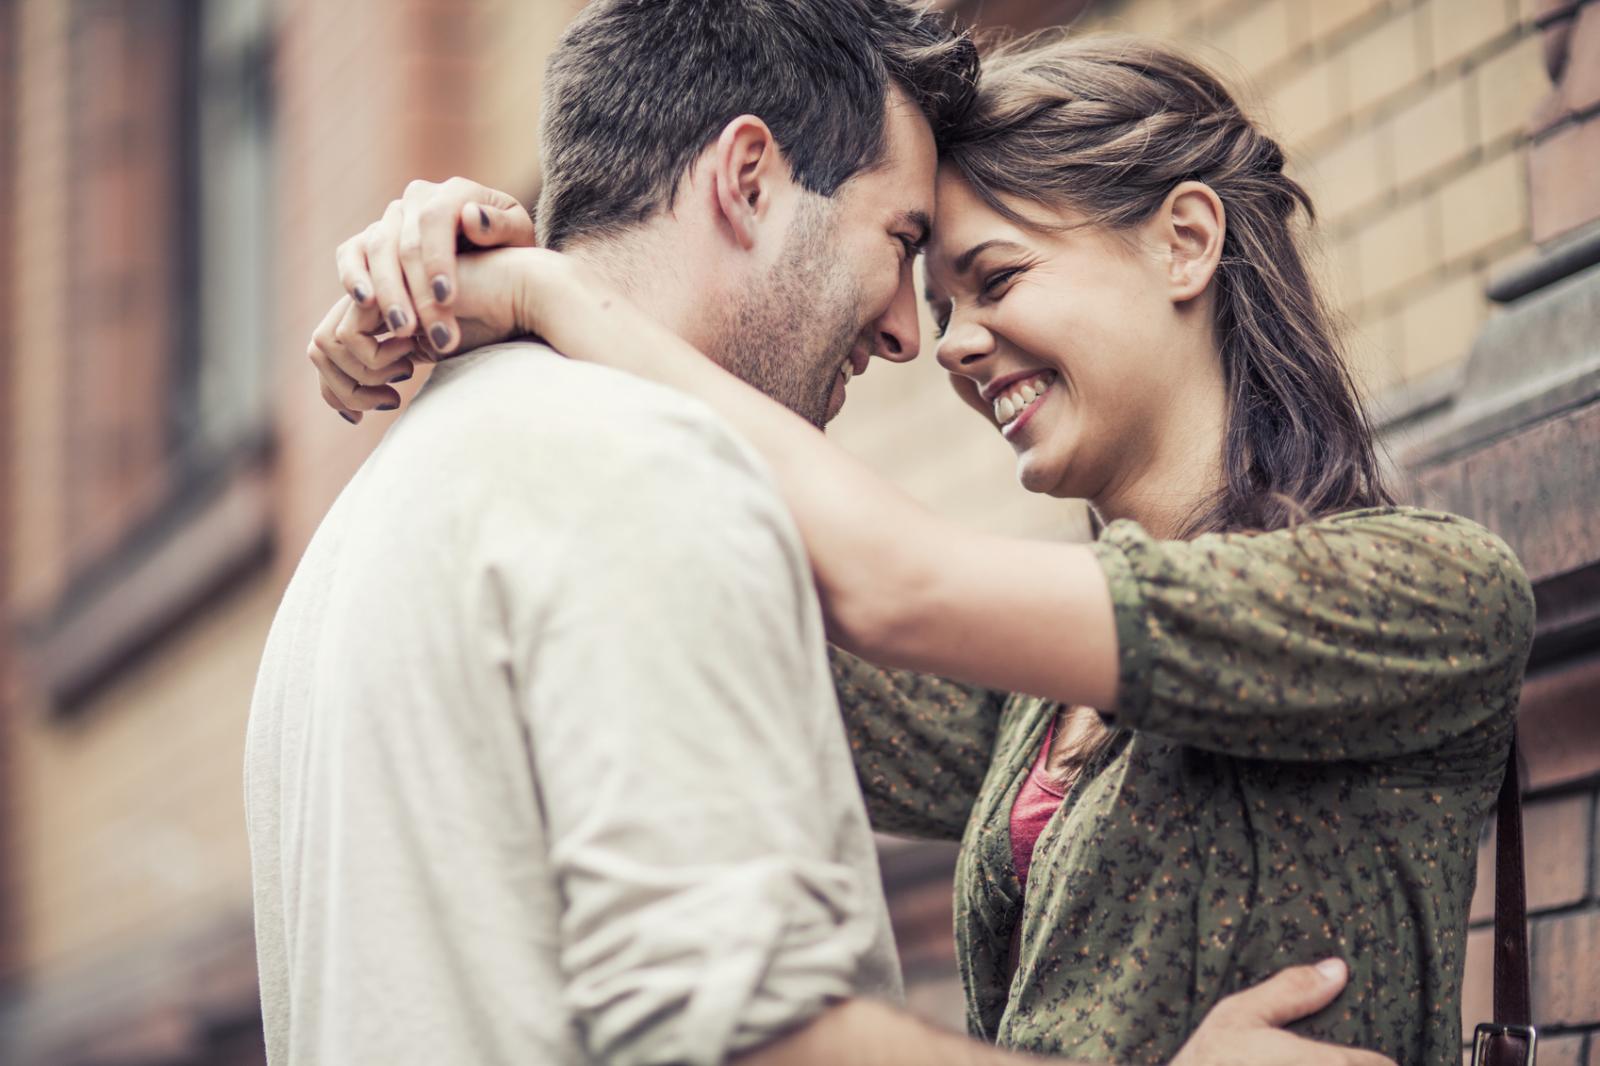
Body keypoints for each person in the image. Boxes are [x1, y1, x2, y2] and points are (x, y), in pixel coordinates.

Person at [310, 28, 1535, 1066]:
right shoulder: (1024, 715)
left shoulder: (1436, 594)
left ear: (1185, 241)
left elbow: (894, 582)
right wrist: (459, 285)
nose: (943, 342)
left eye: (993, 278)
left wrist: (555, 295)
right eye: (937, 294)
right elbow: (695, 576)